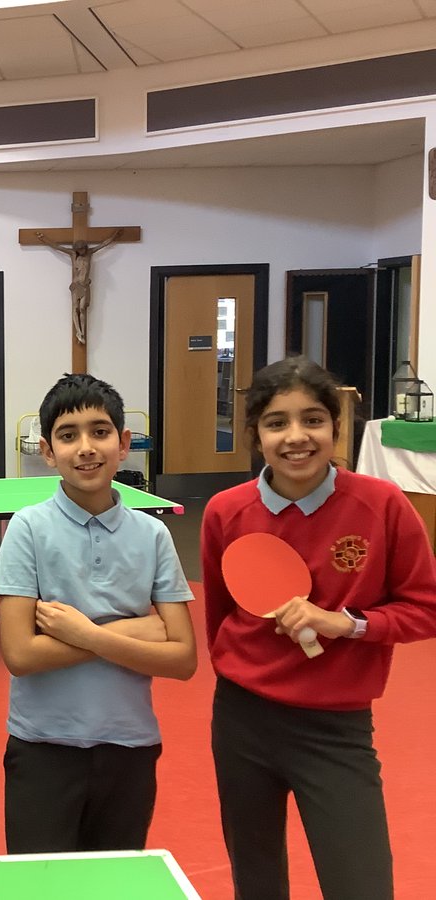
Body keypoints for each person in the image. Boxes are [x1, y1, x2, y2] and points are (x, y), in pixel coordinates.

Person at [202, 356, 436, 900]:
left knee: (361, 883)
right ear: (255, 435)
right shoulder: (224, 512)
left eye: (313, 419)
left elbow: (425, 607)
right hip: (243, 721)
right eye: (276, 423)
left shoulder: (383, 505)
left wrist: (347, 624)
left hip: (338, 730)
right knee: (256, 881)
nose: (296, 437)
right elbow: (219, 617)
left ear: (337, 426)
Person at [0, 373, 196, 854]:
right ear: (47, 451)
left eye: (100, 432)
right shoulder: (27, 529)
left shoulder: (153, 535)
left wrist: (87, 633)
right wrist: (136, 631)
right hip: (42, 747)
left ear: (124, 444)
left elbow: (183, 659)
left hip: (130, 745)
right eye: (68, 436)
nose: (86, 447)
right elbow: (20, 653)